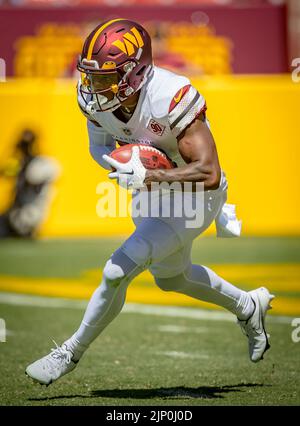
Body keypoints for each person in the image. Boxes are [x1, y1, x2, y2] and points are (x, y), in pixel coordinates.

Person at [25, 19, 274, 386]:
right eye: (92, 76)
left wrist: (152, 174)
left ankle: (69, 353)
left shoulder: (170, 95)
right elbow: (100, 148)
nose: (95, 86)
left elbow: (209, 173)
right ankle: (247, 307)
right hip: (152, 193)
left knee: (115, 271)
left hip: (195, 197)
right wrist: (128, 167)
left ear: (136, 73)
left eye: (107, 78)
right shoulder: (94, 100)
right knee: (173, 279)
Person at [0, 129, 59, 239]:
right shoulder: (18, 162)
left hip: (31, 213)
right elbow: (3, 173)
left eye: (28, 144)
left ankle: (27, 231)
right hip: (15, 212)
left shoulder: (43, 164)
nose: (26, 148)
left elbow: (31, 180)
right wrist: (13, 152)